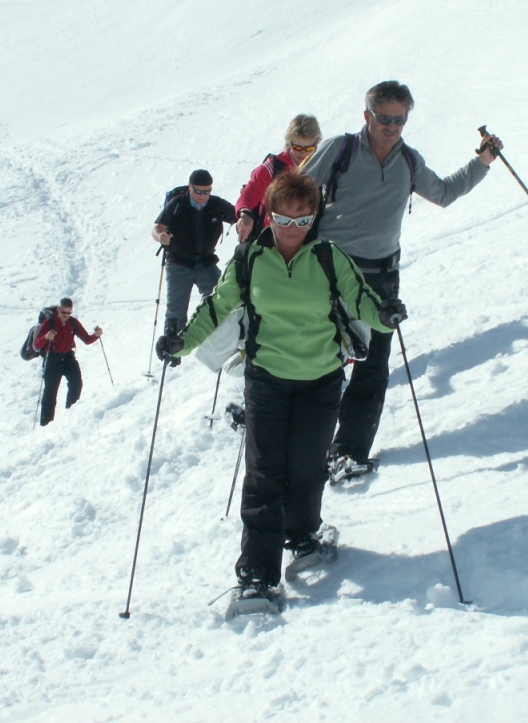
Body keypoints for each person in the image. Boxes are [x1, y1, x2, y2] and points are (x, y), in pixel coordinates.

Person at [155, 172, 406, 600]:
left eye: (302, 220)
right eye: (283, 219)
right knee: (264, 473)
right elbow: (216, 307)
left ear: (314, 217)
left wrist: (384, 315)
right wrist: (182, 341)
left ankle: (303, 535)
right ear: (268, 216)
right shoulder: (250, 258)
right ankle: (257, 572)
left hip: (321, 381)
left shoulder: (329, 257)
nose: (293, 229)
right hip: (266, 380)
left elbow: (360, 298)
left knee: (307, 467)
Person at [301, 80, 503, 479]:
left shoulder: (409, 161)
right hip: (330, 271)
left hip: (381, 276)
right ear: (367, 116)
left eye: (399, 120)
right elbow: (294, 190)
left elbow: (443, 193)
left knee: (373, 367)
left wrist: (482, 161)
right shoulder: (340, 149)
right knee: (321, 360)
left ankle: (349, 451)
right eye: (384, 119)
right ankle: (306, 445)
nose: (392, 127)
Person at [152, 169, 237, 336]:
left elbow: (239, 215)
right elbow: (158, 227)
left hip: (206, 262)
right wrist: (160, 236)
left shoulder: (216, 204)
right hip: (178, 263)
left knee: (219, 300)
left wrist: (245, 219)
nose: (203, 196)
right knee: (176, 311)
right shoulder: (177, 204)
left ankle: (218, 340)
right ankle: (172, 346)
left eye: (207, 191)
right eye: (199, 191)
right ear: (190, 186)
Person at [235, 114, 322, 242]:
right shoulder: (271, 168)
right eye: (297, 147)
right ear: (289, 143)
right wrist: (245, 215)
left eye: (308, 148)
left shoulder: (321, 167)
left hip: (306, 240)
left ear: (316, 144)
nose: (303, 153)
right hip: (271, 240)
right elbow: (248, 195)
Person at [33, 298, 103, 427]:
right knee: (50, 392)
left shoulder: (73, 322)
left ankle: (70, 416)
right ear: (58, 309)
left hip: (68, 358)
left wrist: (96, 335)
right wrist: (46, 337)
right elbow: (37, 345)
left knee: (76, 384)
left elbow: (86, 339)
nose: (66, 315)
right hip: (52, 359)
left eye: (69, 313)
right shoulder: (49, 323)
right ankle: (46, 424)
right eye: (63, 312)